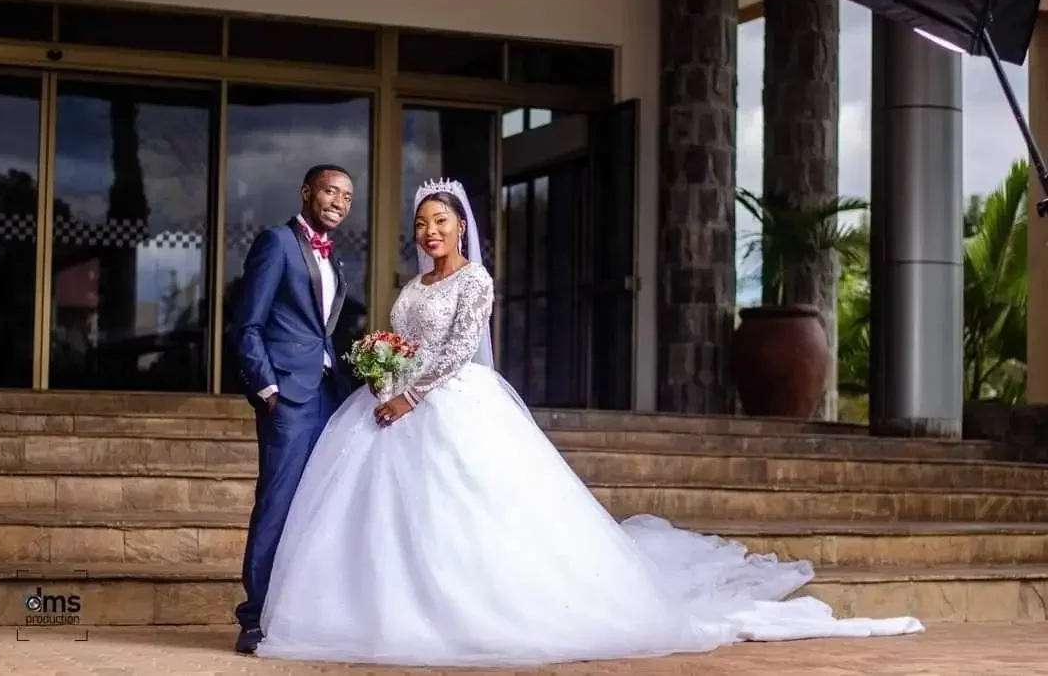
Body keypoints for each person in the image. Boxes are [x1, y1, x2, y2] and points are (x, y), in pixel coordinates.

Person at [254, 178, 924, 667]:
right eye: (422, 223)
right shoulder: (411, 284)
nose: (429, 231)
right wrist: (383, 371)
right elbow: (401, 334)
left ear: (460, 228)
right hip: (389, 405)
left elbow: (459, 349)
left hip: (449, 404)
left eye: (440, 221)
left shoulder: (474, 280)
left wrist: (411, 394)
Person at [229, 164, 356, 654]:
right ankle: (254, 617)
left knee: (316, 508)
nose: (339, 203)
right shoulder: (276, 243)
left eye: (347, 197)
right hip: (289, 398)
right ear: (307, 192)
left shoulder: (334, 260)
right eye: (330, 191)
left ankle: (298, 612)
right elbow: (248, 325)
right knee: (278, 504)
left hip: (327, 395)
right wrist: (267, 389)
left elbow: (319, 330)